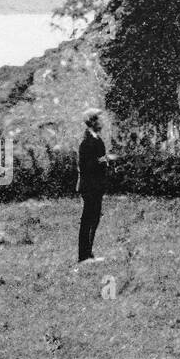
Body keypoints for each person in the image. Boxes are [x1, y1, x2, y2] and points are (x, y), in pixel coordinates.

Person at [76, 108, 116, 265]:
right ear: (93, 122)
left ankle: (88, 253)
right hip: (89, 186)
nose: (102, 122)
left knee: (94, 219)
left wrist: (104, 160)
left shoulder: (97, 140)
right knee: (88, 220)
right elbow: (85, 165)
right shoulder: (86, 142)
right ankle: (83, 256)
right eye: (99, 119)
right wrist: (103, 160)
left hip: (96, 186)